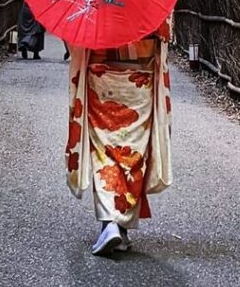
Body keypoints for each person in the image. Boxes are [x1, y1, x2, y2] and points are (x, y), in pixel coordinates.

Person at [64, 19, 172, 256]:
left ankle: (110, 223)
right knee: (133, 150)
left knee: (105, 149)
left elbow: (74, 32)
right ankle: (119, 226)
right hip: (140, 75)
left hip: (101, 72)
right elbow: (163, 35)